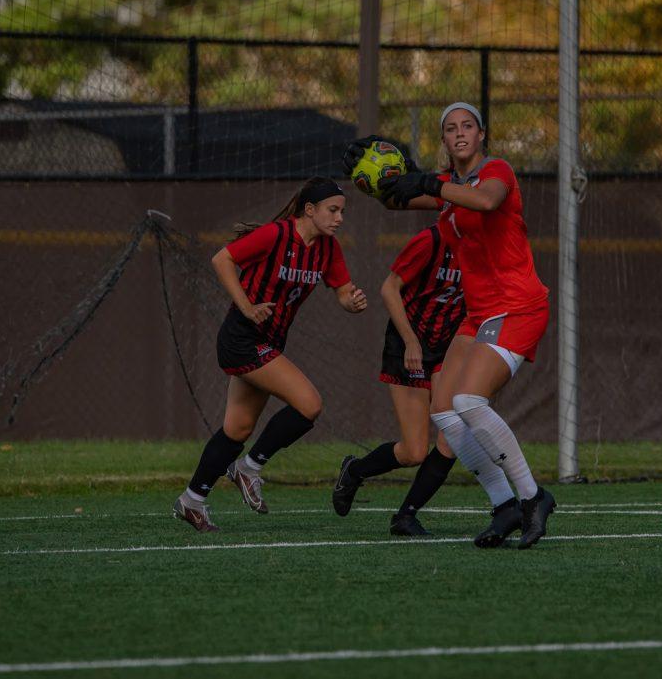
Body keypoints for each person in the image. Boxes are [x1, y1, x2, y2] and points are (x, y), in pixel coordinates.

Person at [344, 104, 557, 549]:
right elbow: (397, 196)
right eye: (450, 129)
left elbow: (485, 200)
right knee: (444, 408)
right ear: (444, 141)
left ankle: (534, 497)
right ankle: (505, 507)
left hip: (517, 307)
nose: (459, 133)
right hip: (479, 315)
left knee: (468, 400)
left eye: (467, 126)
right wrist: (381, 173)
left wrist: (429, 181)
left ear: (481, 135)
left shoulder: (496, 172)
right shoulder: (449, 196)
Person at [173, 177, 368, 532]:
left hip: (271, 341)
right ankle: (249, 467)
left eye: (342, 211)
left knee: (237, 428)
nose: (339, 218)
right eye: (333, 210)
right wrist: (247, 307)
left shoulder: (327, 248)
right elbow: (222, 259)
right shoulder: (277, 235)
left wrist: (351, 302)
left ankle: (192, 500)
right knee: (309, 404)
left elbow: (341, 290)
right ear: (309, 210)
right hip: (242, 337)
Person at [331, 223, 467, 536]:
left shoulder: (482, 244)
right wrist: (410, 341)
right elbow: (389, 288)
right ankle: (355, 470)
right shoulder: (430, 240)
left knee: (453, 436)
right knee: (414, 452)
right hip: (410, 346)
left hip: (448, 348)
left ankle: (406, 516)